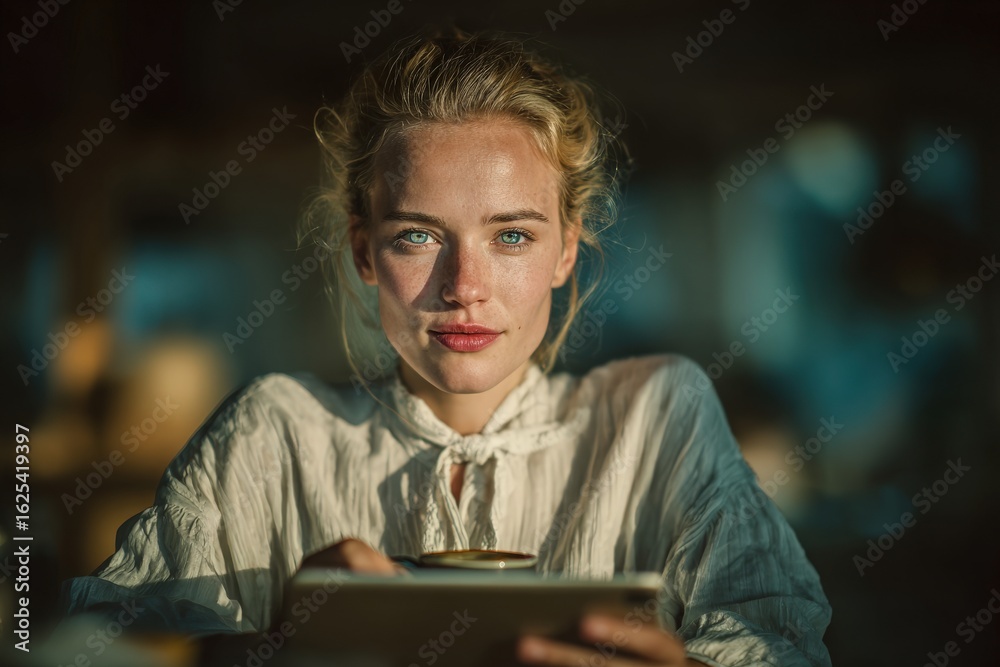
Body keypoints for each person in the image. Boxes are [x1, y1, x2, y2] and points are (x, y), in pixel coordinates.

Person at [61, 26, 832, 666]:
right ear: (363, 252)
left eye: (512, 235)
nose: (465, 284)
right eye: (418, 235)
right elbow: (68, 648)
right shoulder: (274, 438)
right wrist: (276, 647)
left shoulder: (658, 420)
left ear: (567, 248)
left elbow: (788, 647)